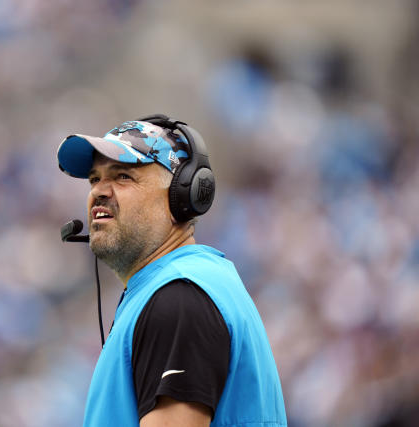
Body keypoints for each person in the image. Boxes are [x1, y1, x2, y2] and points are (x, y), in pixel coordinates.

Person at [57, 115, 286, 427]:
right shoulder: (175, 289)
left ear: (182, 196)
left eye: (123, 176)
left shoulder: (179, 299)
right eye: (95, 179)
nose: (99, 191)